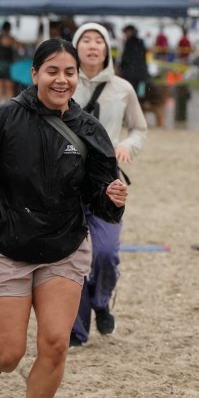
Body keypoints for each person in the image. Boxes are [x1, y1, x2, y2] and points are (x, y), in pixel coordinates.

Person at [0, 38, 127, 398]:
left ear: (77, 77)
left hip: (63, 248)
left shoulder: (88, 129)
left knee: (55, 344)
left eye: (69, 73)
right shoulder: (1, 120)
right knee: (9, 352)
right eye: (52, 71)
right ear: (34, 74)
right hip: (3, 246)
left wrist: (112, 198)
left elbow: (99, 195)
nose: (61, 80)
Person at [68, 23, 148, 346]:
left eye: (98, 40)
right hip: (67, 178)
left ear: (107, 50)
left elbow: (140, 128)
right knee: (71, 256)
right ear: (75, 48)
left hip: (107, 180)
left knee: (104, 253)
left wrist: (127, 145)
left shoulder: (123, 89)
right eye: (85, 40)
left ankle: (101, 301)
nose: (92, 46)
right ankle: (76, 330)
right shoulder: (63, 84)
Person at [0, 21, 22, 107]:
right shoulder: (10, 38)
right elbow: (20, 46)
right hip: (8, 65)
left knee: (0, 90)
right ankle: (10, 109)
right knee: (9, 89)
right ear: (9, 28)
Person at [119, 24, 151, 98]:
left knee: (132, 94)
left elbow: (126, 57)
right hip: (141, 72)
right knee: (141, 94)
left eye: (126, 32)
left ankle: (137, 102)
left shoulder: (130, 43)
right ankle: (140, 101)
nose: (125, 34)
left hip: (131, 73)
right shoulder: (140, 42)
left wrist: (122, 67)